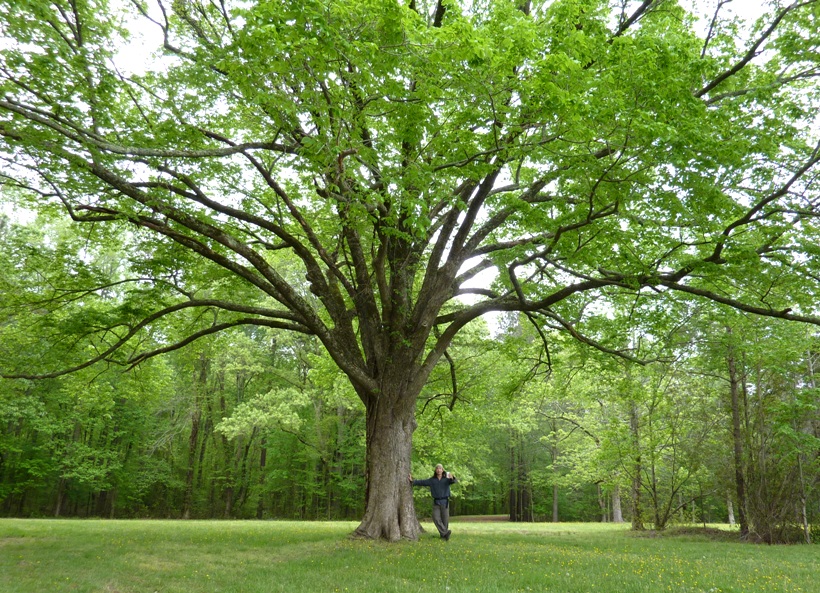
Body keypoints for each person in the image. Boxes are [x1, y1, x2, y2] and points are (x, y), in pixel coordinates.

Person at [409, 463, 457, 540]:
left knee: (445, 520)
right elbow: (422, 482)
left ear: (442, 470)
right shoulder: (432, 480)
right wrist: (413, 481)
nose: (438, 470)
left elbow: (454, 481)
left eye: (440, 468)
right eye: (437, 468)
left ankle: (443, 536)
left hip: (445, 502)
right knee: (435, 518)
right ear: (435, 470)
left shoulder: (446, 480)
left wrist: (453, 478)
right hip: (436, 502)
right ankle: (445, 533)